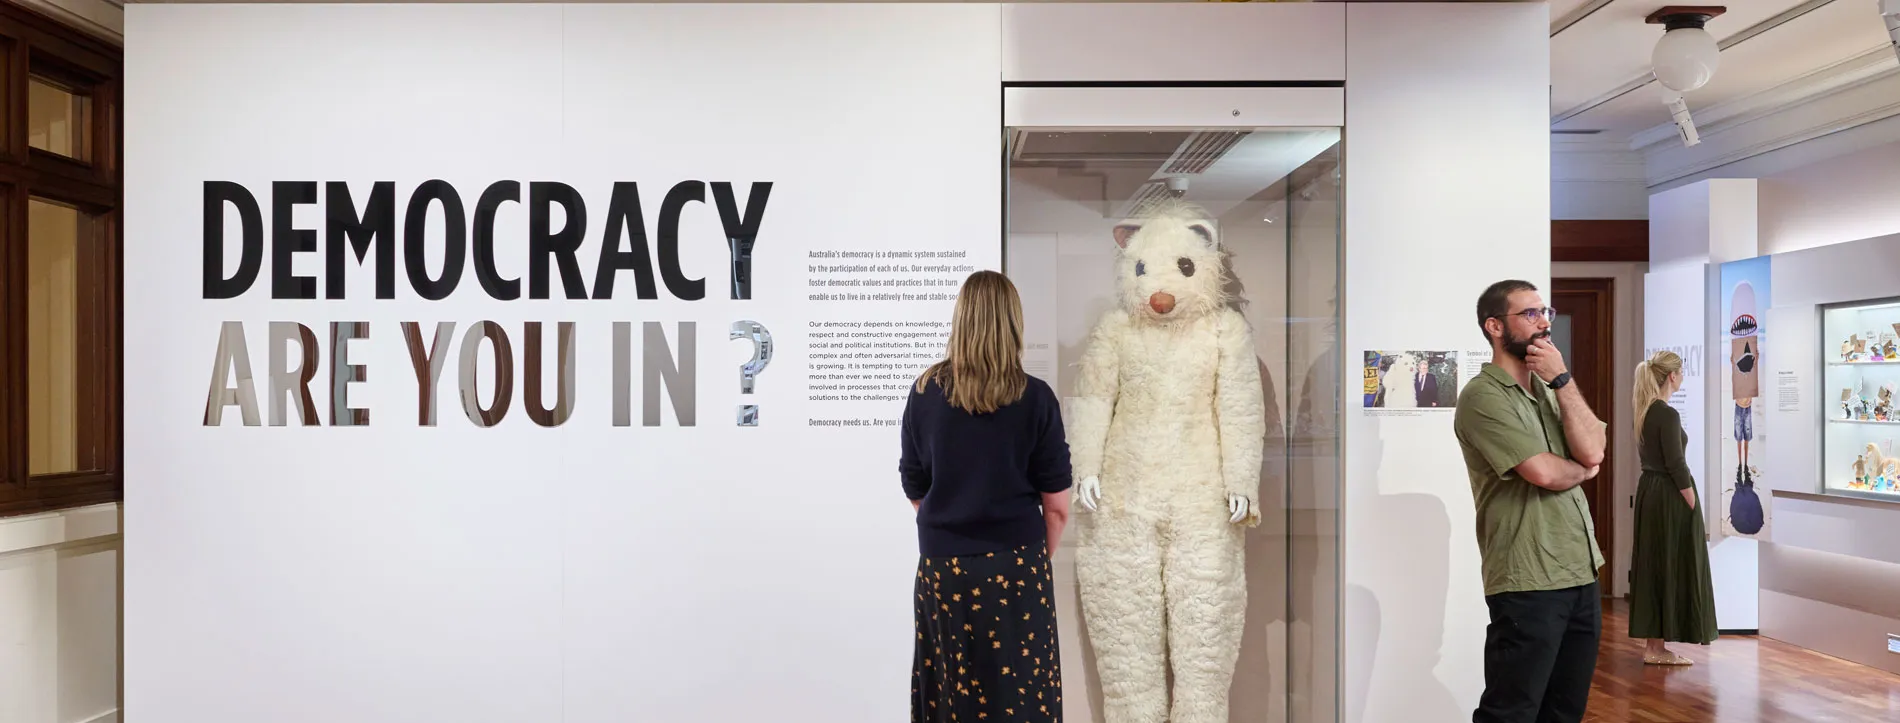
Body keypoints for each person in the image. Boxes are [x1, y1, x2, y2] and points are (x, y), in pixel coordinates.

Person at [899, 270, 1072, 723]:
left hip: (944, 569)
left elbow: (915, 487)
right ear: (1013, 324)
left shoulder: (923, 394)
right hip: (1016, 566)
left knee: (950, 696)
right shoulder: (1036, 398)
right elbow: (1056, 508)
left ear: (961, 320)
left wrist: (952, 525)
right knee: (1020, 694)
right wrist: (1030, 558)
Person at [1453, 279, 1608, 723]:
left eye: (1546, 312)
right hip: (1527, 578)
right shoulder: (1482, 397)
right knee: (1512, 711)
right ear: (1495, 327)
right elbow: (1543, 472)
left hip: (1579, 570)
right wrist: (1582, 473)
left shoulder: (1550, 390)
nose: (1543, 323)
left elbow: (1594, 448)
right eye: (1530, 314)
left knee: (1564, 709)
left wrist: (1562, 379)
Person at [1628, 351, 1718, 664]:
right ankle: (1656, 648)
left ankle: (1654, 644)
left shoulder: (1646, 411)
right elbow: (1676, 463)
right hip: (1668, 495)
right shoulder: (1666, 414)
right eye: (1681, 373)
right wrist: (1691, 502)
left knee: (1656, 565)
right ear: (1672, 377)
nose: (1682, 378)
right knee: (1670, 564)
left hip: (1650, 493)